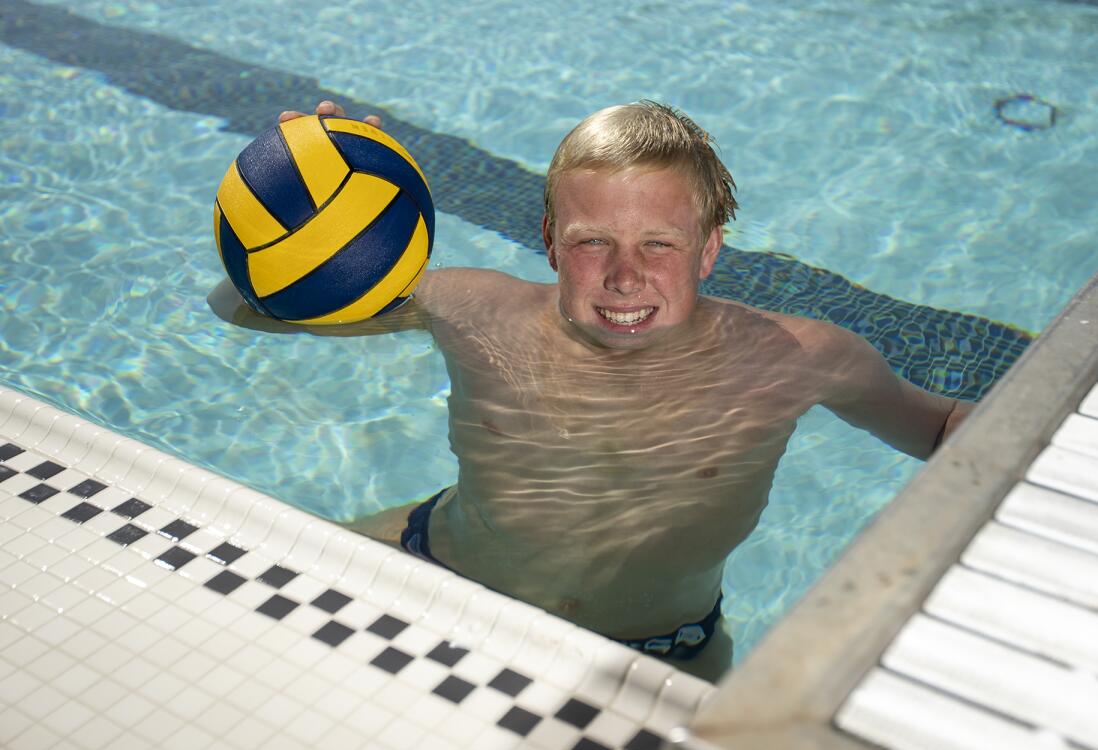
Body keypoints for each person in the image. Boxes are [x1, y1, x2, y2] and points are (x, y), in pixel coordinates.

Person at [210, 99, 972, 681]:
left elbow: (948, 434)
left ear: (709, 248)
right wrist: (300, 221)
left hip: (656, 650)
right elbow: (250, 312)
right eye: (592, 242)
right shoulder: (475, 311)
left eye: (659, 245)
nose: (625, 276)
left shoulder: (801, 360)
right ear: (548, 240)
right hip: (435, 567)